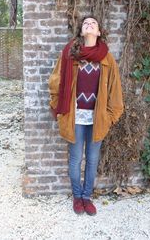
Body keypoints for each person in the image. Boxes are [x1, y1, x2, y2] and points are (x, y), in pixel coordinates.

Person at [48, 15, 124, 215]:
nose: (89, 25)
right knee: (75, 160)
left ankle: (87, 197)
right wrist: (59, 109)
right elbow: (56, 82)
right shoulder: (70, 54)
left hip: (97, 118)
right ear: (81, 32)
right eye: (85, 23)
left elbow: (115, 90)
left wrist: (110, 117)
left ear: (99, 32)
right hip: (75, 117)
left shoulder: (107, 58)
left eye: (93, 23)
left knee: (92, 159)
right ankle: (77, 196)